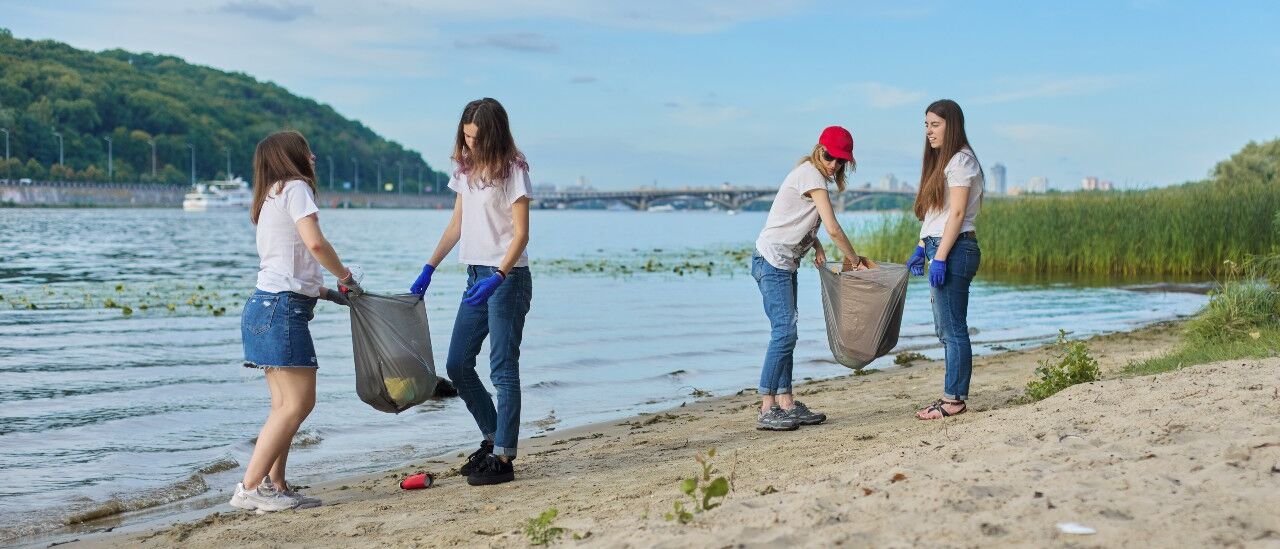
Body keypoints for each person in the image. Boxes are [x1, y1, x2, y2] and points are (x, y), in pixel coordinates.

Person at [230, 130, 361, 512]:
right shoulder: (297, 187)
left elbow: (288, 266)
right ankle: (250, 487)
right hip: (281, 310)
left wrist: (329, 293)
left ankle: (276, 484)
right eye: (307, 150)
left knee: (284, 406)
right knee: (299, 404)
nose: (313, 156)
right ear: (291, 157)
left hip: (263, 306)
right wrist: (347, 278)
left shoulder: (269, 196)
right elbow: (316, 245)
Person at [408, 98, 532, 485]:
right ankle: (493, 437)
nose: (470, 144)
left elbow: (522, 233)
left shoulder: (514, 169)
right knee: (458, 363)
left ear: (493, 134)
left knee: (502, 368)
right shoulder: (465, 170)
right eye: (465, 136)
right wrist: (429, 266)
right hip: (475, 276)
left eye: (477, 138)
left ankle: (504, 457)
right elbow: (457, 223)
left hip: (507, 278)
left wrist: (499, 274)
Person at [751, 125, 873, 431]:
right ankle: (767, 407)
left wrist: (815, 245)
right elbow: (832, 227)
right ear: (819, 150)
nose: (834, 164)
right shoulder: (810, 174)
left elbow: (799, 220)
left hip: (785, 262)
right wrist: (854, 260)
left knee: (787, 332)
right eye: (831, 157)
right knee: (785, 332)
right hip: (771, 262)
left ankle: (787, 403)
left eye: (841, 161)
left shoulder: (813, 176)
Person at [907, 99, 984, 420]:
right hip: (941, 247)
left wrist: (939, 258)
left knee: (953, 330)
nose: (929, 131)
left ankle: (953, 400)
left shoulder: (962, 161)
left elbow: (957, 213)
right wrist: (921, 246)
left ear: (952, 125)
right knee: (946, 328)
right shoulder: (946, 162)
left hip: (955, 250)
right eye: (926, 125)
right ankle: (952, 395)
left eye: (935, 124)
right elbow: (937, 214)